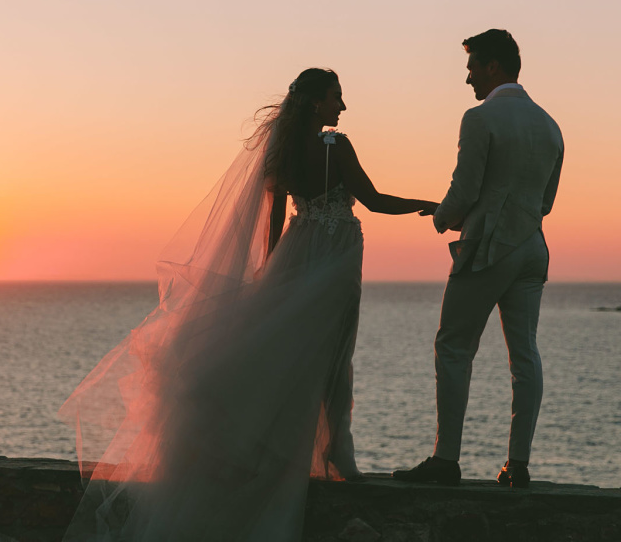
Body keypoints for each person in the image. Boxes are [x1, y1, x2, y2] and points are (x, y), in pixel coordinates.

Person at [59, 68, 437, 542]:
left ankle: (289, 451)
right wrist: (429, 205)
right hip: (336, 256)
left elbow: (276, 220)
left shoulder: (282, 151)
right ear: (317, 103)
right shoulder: (333, 145)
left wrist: (272, 275)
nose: (342, 107)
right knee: (333, 358)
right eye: (336, 98)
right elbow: (374, 200)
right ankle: (337, 455)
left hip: (297, 254)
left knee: (289, 358)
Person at [394, 29, 564, 489]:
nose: (468, 79)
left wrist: (442, 217)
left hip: (489, 247)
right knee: (525, 355)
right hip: (532, 247)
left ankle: (446, 460)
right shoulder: (551, 126)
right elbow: (547, 200)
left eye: (472, 68)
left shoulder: (479, 117)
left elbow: (466, 189)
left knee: (453, 347)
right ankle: (519, 465)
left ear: (493, 66)